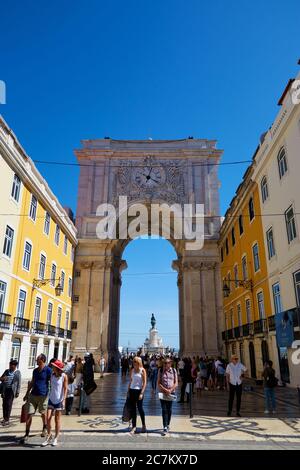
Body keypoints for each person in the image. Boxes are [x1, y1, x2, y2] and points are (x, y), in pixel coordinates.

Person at [20, 354, 52, 444]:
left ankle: (44, 428)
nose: (36, 360)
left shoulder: (48, 370)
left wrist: (51, 394)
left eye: (37, 359)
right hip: (33, 395)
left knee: (43, 414)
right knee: (29, 414)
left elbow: (52, 381)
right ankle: (26, 434)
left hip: (43, 395)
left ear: (42, 360)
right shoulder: (35, 370)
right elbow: (32, 382)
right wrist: (27, 393)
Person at [42, 360, 68, 447]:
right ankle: (49, 436)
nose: (52, 367)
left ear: (57, 368)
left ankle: (56, 438)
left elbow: (65, 389)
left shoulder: (64, 376)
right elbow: (49, 386)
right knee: (48, 419)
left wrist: (64, 400)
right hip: (51, 399)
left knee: (57, 420)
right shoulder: (52, 375)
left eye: (53, 366)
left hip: (59, 401)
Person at [157, 357, 178, 436]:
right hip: (163, 393)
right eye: (165, 363)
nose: (166, 364)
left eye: (168, 363)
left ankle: (168, 424)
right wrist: (165, 389)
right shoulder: (161, 370)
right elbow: (158, 382)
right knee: (164, 409)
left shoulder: (174, 370)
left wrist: (170, 390)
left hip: (171, 393)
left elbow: (176, 383)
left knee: (169, 409)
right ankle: (165, 426)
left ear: (170, 363)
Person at [127, 356, 147, 434]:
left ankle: (143, 425)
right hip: (132, 390)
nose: (134, 364)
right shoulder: (132, 370)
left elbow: (145, 382)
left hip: (139, 391)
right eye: (134, 362)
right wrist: (127, 391)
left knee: (140, 408)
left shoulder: (143, 371)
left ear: (139, 363)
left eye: (136, 362)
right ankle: (134, 426)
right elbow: (131, 381)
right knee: (133, 409)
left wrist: (142, 393)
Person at [0, 359, 21, 426]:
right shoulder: (6, 371)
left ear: (15, 366)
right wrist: (3, 379)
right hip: (5, 389)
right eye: (10, 365)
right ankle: (4, 418)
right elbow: (1, 378)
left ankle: (7, 419)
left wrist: (17, 392)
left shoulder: (17, 372)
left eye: (12, 365)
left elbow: (19, 383)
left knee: (9, 404)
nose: (10, 366)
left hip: (11, 391)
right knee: (4, 404)